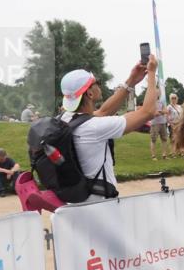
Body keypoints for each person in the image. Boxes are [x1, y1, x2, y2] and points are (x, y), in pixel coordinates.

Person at [58, 56, 160, 202]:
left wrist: (131, 80)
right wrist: (151, 74)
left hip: (76, 198)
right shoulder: (94, 127)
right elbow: (147, 112)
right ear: (90, 93)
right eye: (96, 83)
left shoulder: (65, 119)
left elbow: (103, 112)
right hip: (99, 203)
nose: (99, 84)